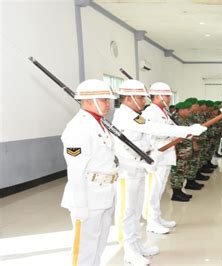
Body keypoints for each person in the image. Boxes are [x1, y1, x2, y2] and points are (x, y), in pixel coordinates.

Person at [113, 80, 206, 265]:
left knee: (136, 210)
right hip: (128, 171)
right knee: (127, 212)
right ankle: (128, 251)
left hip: (139, 167)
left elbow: (147, 134)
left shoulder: (135, 114)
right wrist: (187, 130)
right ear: (129, 98)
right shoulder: (125, 115)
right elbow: (153, 128)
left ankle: (137, 245)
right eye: (140, 97)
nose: (143, 101)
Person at [60, 79, 117, 266]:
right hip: (87, 197)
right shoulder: (78, 127)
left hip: (104, 194)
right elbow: (76, 171)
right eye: (103, 100)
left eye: (108, 100)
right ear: (88, 101)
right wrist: (80, 205)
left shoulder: (100, 124)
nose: (108, 104)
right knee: (84, 249)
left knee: (99, 244)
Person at [141, 82, 180, 235]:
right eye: (166, 95)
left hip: (166, 156)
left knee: (160, 189)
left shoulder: (162, 111)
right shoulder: (150, 112)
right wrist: (176, 132)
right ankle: (151, 221)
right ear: (158, 96)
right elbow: (153, 132)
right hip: (156, 157)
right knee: (153, 190)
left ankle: (157, 217)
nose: (169, 98)